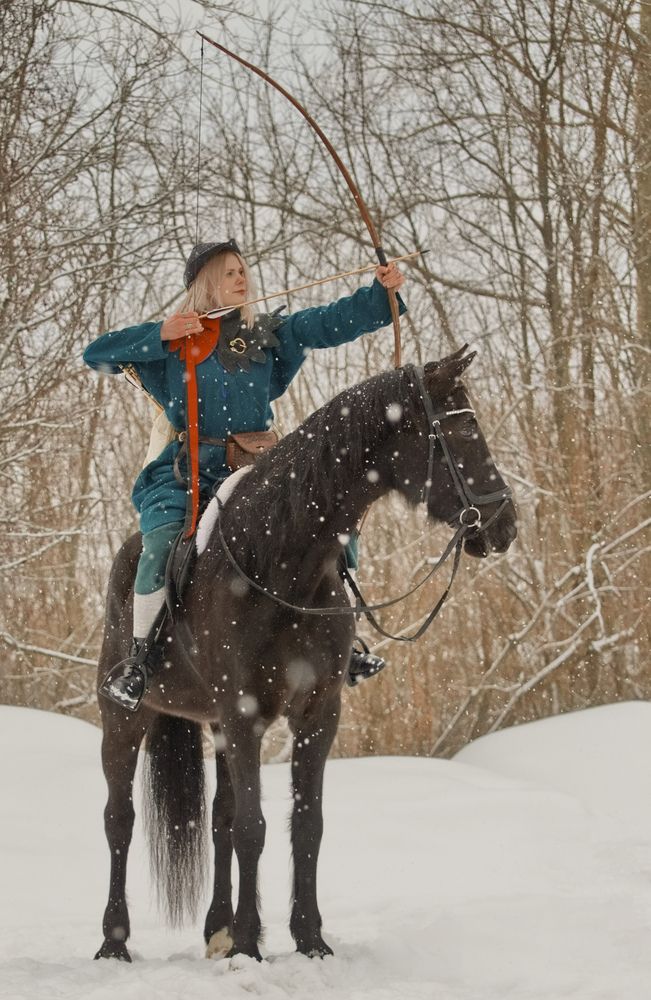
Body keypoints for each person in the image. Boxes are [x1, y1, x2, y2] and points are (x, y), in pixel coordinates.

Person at [84, 239, 406, 710]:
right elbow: (96, 354)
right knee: (158, 545)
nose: (241, 278)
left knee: (330, 524)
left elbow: (327, 322)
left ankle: (346, 641)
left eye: (242, 271)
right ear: (205, 283)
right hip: (189, 472)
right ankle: (139, 660)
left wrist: (381, 296)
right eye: (229, 272)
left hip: (259, 468)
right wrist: (161, 334)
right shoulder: (174, 343)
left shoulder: (264, 333)